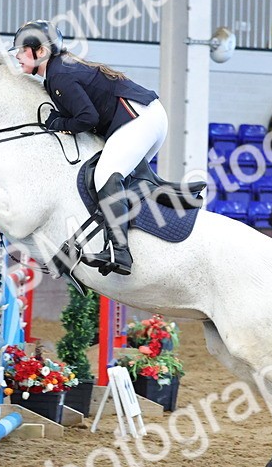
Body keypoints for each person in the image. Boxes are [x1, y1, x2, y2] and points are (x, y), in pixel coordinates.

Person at [8, 19, 163, 276]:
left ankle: (120, 252)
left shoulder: (60, 76)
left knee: (105, 175)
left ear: (41, 52)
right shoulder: (56, 73)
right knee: (109, 182)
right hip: (145, 117)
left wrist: (60, 123)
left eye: (22, 49)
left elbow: (87, 118)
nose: (17, 55)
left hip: (140, 119)